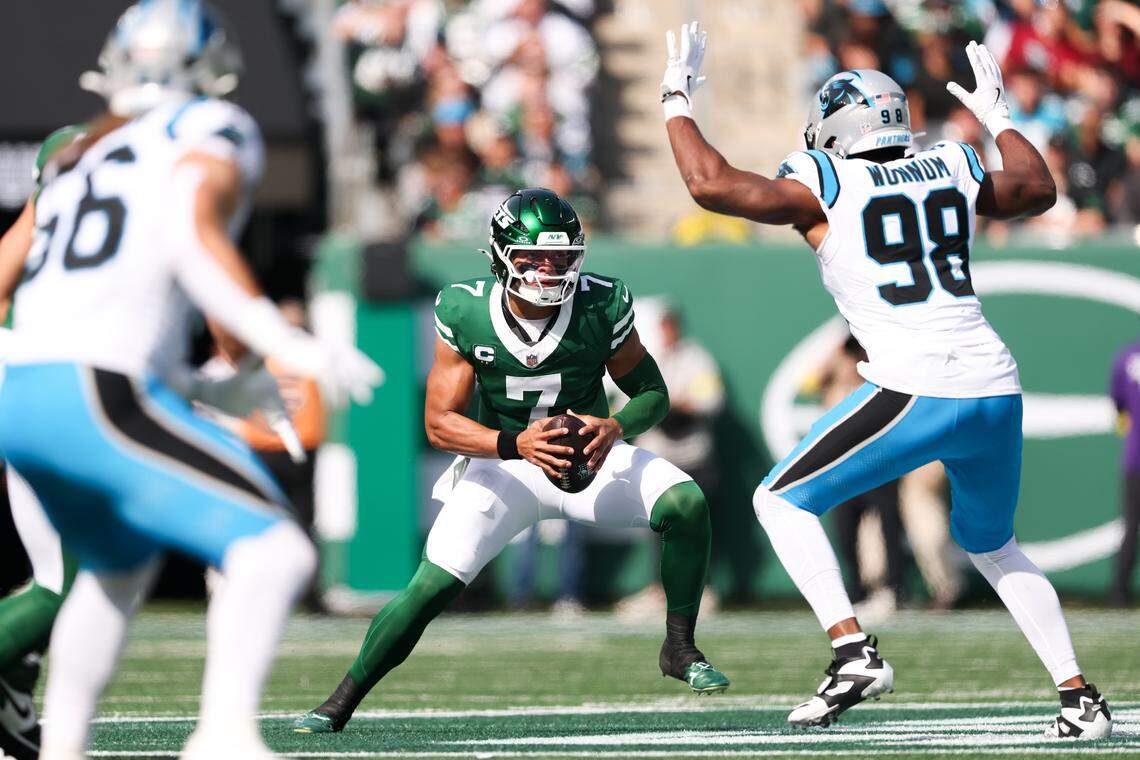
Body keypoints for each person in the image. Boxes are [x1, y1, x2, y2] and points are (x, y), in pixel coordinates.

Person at [661, 23, 1112, 739]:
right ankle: (1079, 698)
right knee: (994, 545)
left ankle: (852, 650)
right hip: (994, 384)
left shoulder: (825, 181)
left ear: (833, 131)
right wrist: (1000, 118)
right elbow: (1036, 188)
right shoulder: (951, 163)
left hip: (917, 386)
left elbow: (708, 183)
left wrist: (676, 96)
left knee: (777, 501)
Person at [0, 2, 382, 758]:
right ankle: (224, 736)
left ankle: (63, 747)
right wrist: (278, 343)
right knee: (277, 553)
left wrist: (215, 386)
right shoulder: (206, 126)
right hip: (92, 390)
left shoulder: (79, 152)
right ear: (210, 65)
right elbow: (188, 235)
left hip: (23, 390)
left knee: (112, 570)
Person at [292, 187, 729, 735]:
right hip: (506, 467)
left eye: (561, 257)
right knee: (430, 587)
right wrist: (514, 444)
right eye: (532, 258)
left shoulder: (602, 303)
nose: (549, 270)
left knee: (686, 502)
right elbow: (439, 423)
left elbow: (653, 393)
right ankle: (343, 697)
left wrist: (616, 424)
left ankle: (680, 647)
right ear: (501, 255)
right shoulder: (464, 308)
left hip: (590, 460)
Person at [1110, 338, 1140, 605]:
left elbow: (1118, 406)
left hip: (1135, 457)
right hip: (1135, 458)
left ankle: (1119, 593)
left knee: (1131, 525)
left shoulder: (1127, 356)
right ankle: (1119, 592)